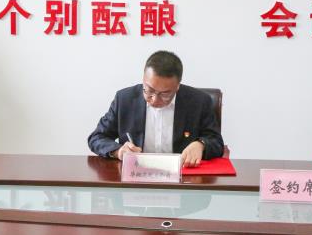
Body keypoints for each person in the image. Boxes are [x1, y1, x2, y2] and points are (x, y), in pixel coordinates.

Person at [88, 50, 224, 167]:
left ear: (177, 86)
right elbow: (97, 137)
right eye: (149, 90)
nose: (155, 100)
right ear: (143, 79)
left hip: (181, 177)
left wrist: (201, 144)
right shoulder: (125, 99)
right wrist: (118, 151)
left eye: (165, 94)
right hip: (137, 175)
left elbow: (216, 142)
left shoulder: (199, 101)